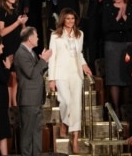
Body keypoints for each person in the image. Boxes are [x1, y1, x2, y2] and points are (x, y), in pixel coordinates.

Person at [48, 8, 92, 153]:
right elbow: (52, 58)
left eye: (72, 19)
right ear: (63, 20)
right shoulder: (55, 36)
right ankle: (64, 122)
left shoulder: (80, 35)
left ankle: (75, 139)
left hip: (75, 73)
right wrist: (51, 79)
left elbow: (79, 54)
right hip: (61, 73)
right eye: (67, 19)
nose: (70, 21)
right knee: (66, 101)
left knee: (76, 105)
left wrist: (84, 65)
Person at [14, 26, 52, 156]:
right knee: (27, 132)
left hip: (36, 98)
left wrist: (43, 62)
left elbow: (37, 72)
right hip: (28, 98)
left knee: (36, 131)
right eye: (36, 36)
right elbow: (31, 73)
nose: (38, 38)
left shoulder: (31, 52)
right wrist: (43, 60)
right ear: (30, 38)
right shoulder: (21, 53)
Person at [102, 0, 132, 115]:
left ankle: (126, 109)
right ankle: (116, 109)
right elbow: (106, 28)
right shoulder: (108, 7)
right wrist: (118, 18)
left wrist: (125, 18)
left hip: (128, 44)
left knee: (127, 76)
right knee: (114, 77)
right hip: (112, 46)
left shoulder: (131, 7)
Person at [0, 0, 28, 107]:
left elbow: (23, 31)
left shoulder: (16, 9)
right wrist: (17, 23)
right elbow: (1, 32)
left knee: (16, 76)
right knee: (10, 76)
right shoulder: (2, 10)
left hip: (17, 45)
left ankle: (14, 103)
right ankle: (10, 105)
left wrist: (23, 23)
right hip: (8, 46)